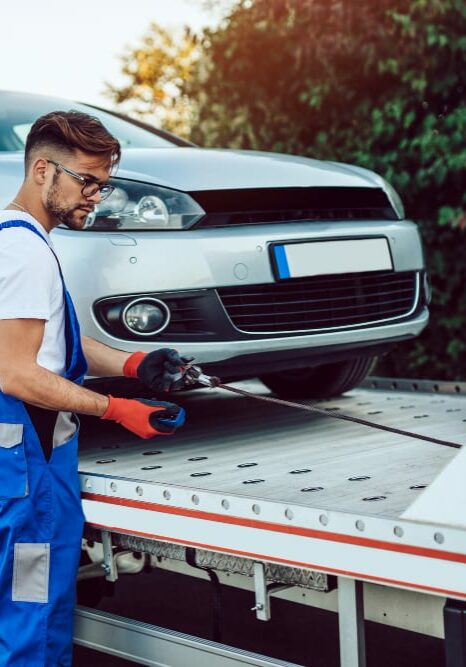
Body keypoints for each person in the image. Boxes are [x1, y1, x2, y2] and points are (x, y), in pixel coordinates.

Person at [0, 110, 198, 666]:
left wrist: (134, 362)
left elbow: (51, 341)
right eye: (86, 181)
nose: (97, 196)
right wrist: (116, 409)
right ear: (43, 170)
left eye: (102, 184)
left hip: (24, 466)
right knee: (31, 626)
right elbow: (16, 372)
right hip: (27, 471)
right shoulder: (23, 252)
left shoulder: (17, 239)